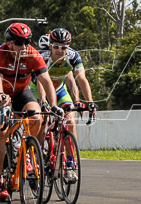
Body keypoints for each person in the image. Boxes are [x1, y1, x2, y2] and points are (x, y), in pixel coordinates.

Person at [0, 22, 61, 203]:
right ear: (10, 43)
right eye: (20, 43)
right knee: (1, 129)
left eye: (28, 42)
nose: (25, 46)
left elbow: (46, 81)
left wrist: (53, 105)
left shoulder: (33, 54)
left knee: (37, 117)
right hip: (0, 92)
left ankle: (25, 151)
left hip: (20, 91)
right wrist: (0, 96)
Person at [39, 27, 97, 182]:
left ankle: (70, 165)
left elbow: (81, 79)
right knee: (40, 121)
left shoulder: (73, 56)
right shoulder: (43, 57)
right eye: (56, 46)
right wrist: (44, 103)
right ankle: (37, 153)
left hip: (59, 90)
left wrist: (89, 102)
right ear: (50, 45)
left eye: (64, 47)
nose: (60, 50)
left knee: (70, 122)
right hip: (39, 90)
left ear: (68, 47)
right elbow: (40, 83)